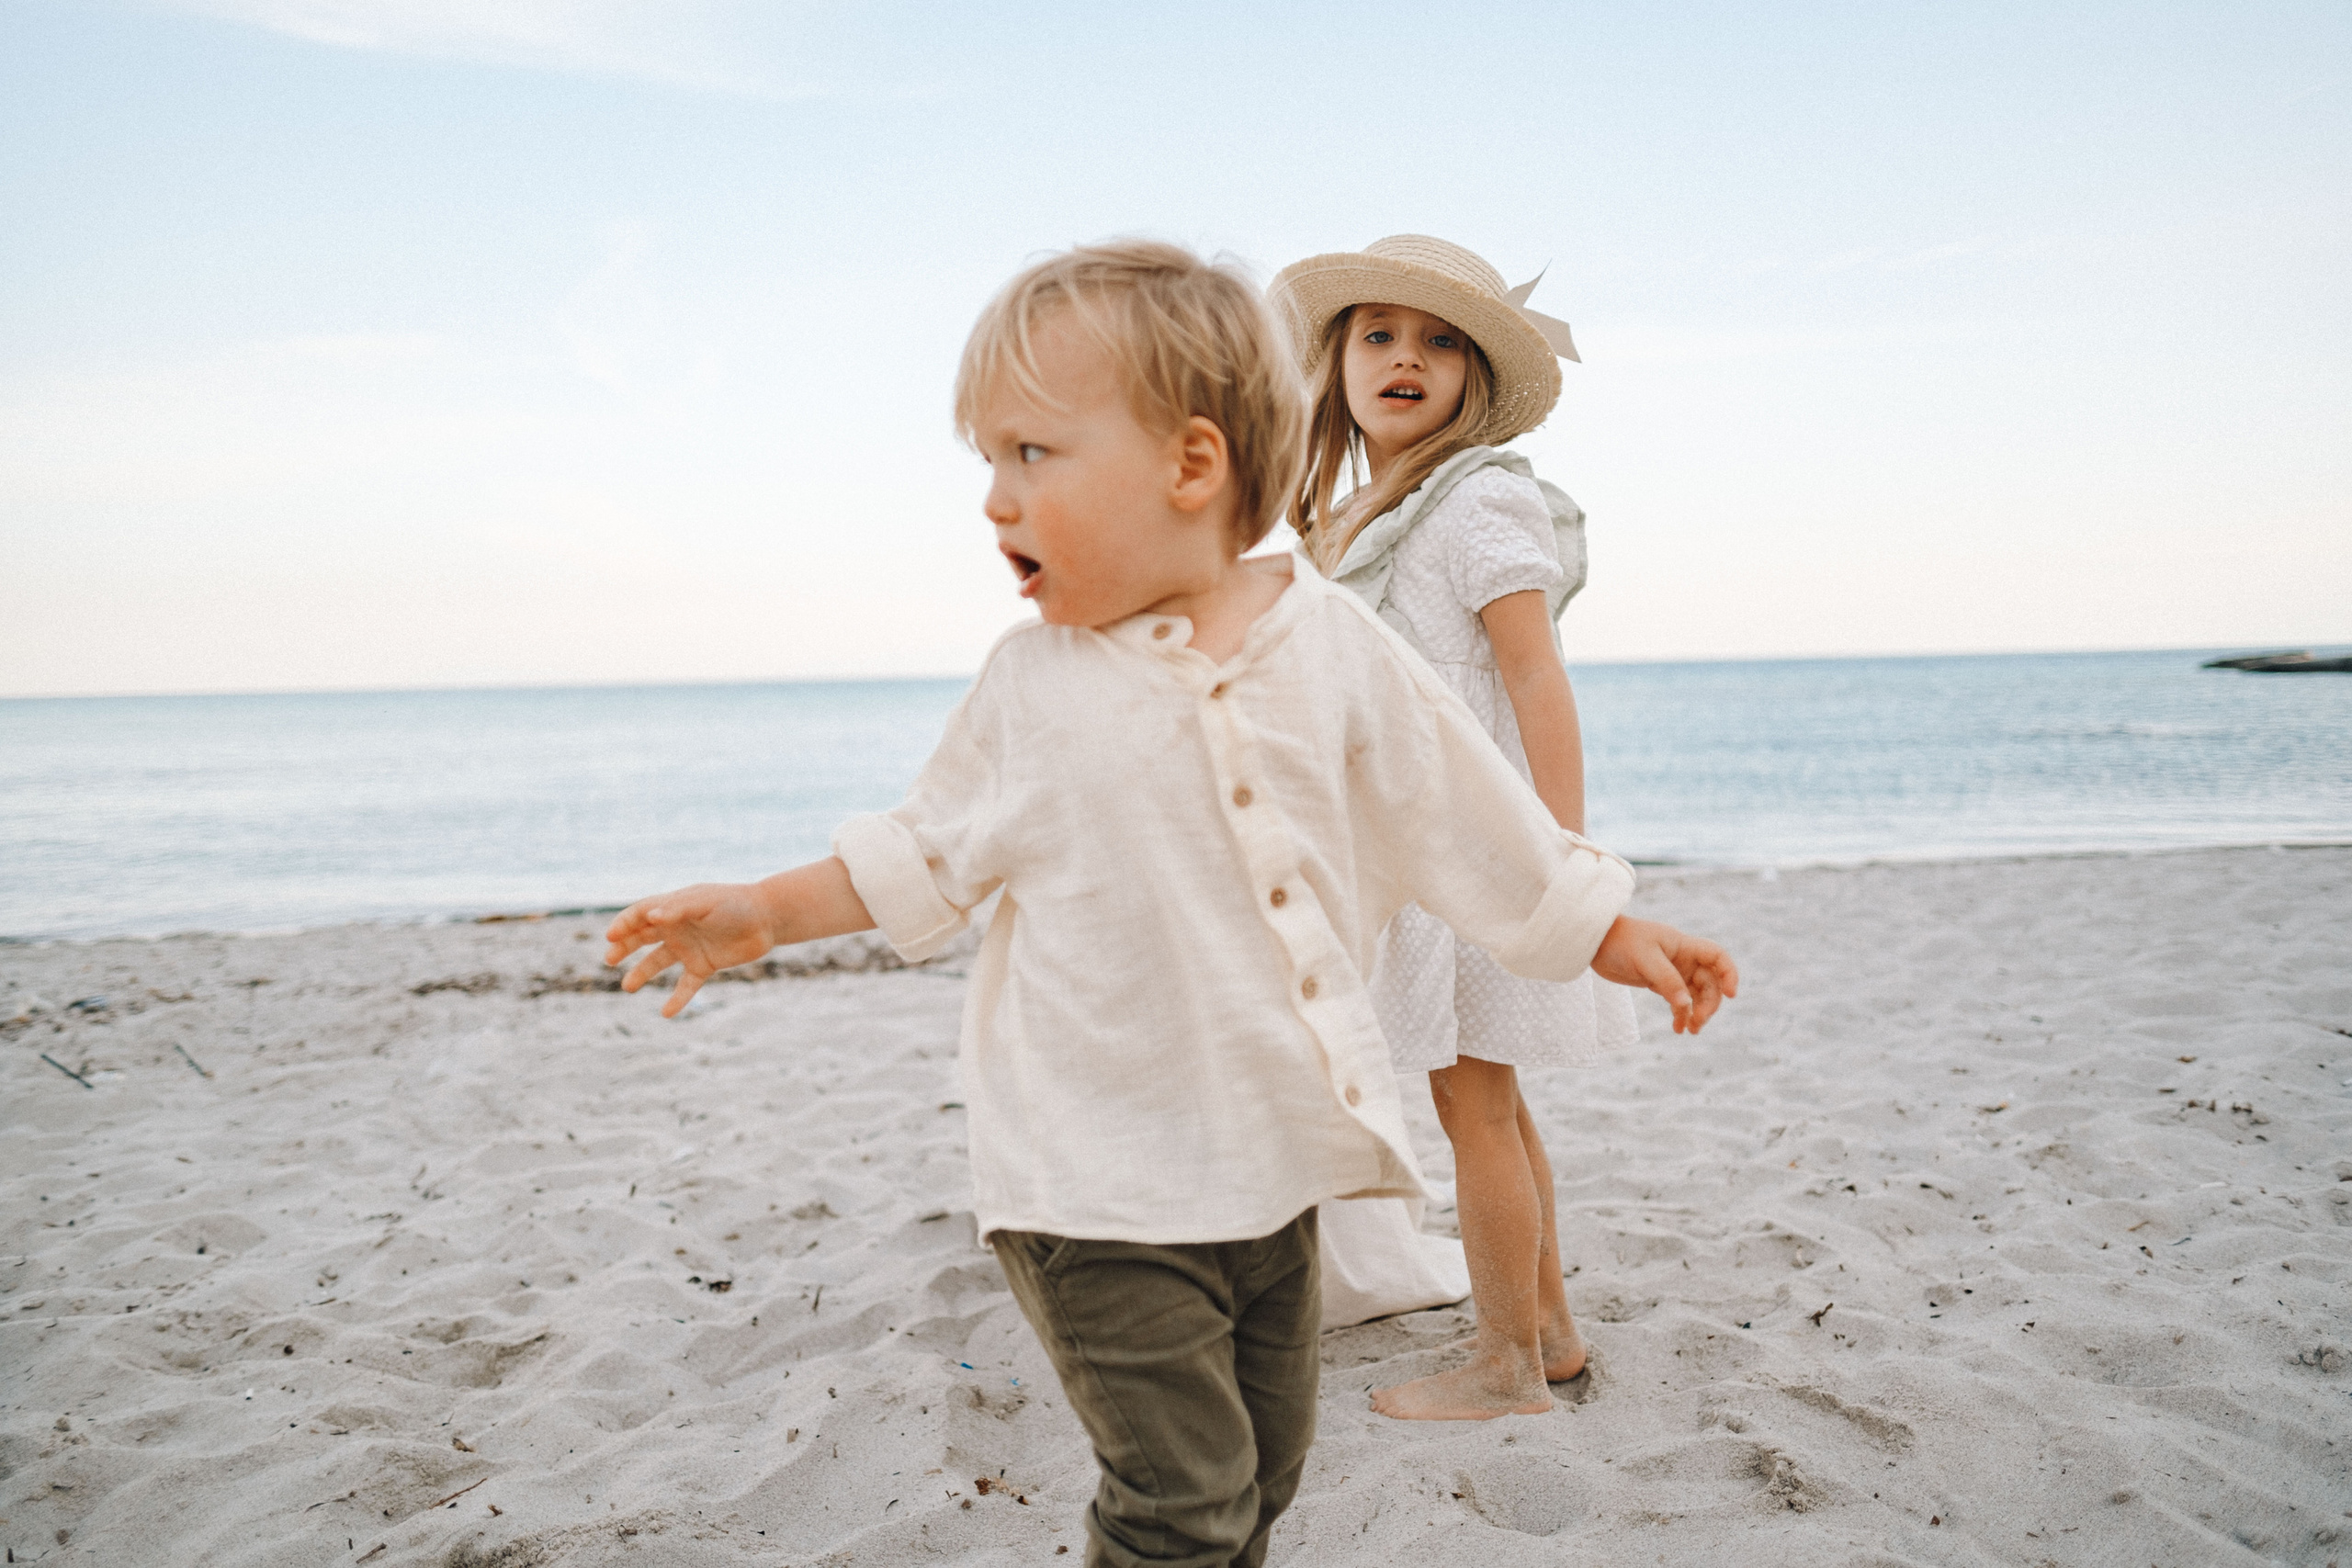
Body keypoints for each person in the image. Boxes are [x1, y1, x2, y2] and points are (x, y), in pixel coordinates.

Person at [603, 241, 1736, 1567]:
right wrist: (762, 913)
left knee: (1265, 1466)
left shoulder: (1331, 639)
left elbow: (1459, 806)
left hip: (1275, 1169)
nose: (991, 503)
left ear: (1191, 468)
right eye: (988, 462)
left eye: (1030, 457)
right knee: (1179, 1501)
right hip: (1091, 1187)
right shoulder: (1034, 687)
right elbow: (918, 850)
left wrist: (1603, 927)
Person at [1270, 233, 1638, 1422]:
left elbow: (1536, 677)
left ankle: (1506, 1364)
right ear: (1337, 363)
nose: (1406, 358)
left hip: (1484, 849)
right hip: (1430, 849)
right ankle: (1554, 1333)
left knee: (1474, 1103)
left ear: (1476, 377)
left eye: (1439, 341)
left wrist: (1559, 861)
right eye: (1378, 334)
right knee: (1491, 1097)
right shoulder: (1360, 508)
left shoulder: (1475, 496)